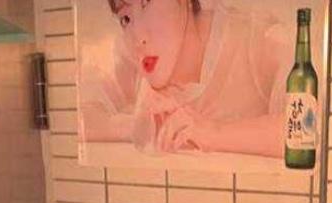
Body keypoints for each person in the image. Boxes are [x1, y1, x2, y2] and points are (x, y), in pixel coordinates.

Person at [81, 0, 289, 155]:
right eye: (126, 18)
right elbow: (80, 118)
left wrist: (212, 132)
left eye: (146, 3)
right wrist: (138, 127)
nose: (138, 37)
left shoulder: (256, 38)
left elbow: (302, 129)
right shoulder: (132, 56)